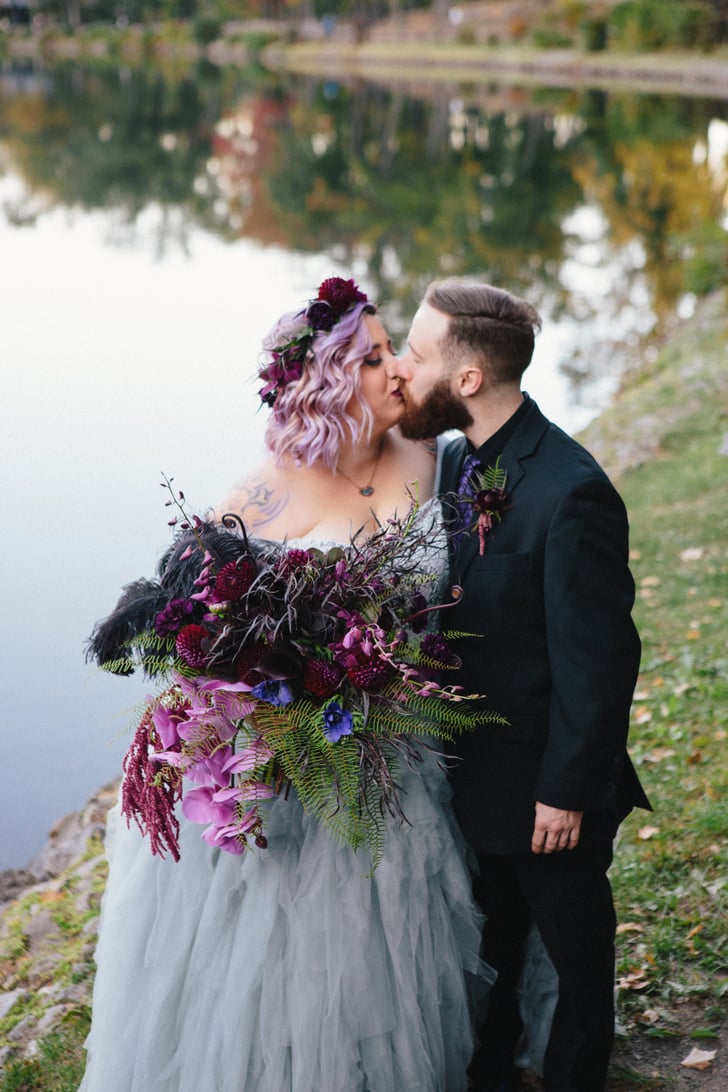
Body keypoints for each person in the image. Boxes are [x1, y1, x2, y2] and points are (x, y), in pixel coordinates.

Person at [80, 277, 494, 1092]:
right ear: (333, 383)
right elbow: (200, 632)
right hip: (297, 771)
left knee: (384, 950)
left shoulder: (433, 457)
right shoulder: (267, 491)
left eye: (390, 354)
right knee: (280, 959)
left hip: (394, 758)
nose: (397, 373)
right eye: (376, 360)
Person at [394, 279, 652, 1092]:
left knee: (575, 956)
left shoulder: (569, 490)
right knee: (496, 955)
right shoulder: (456, 460)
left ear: (467, 380)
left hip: (549, 792)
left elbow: (600, 661)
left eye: (417, 352)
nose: (404, 367)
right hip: (475, 780)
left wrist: (567, 792)